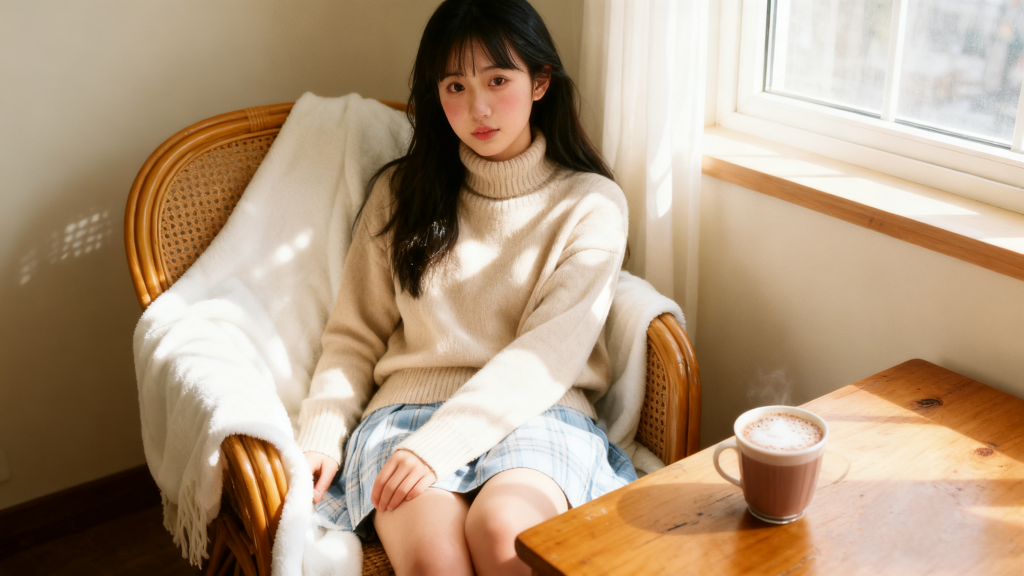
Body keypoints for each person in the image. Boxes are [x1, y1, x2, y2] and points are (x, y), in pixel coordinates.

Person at [297, 0, 636, 574]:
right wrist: (322, 435)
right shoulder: (402, 193)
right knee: (435, 563)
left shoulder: (591, 203)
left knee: (505, 539)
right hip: (406, 414)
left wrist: (443, 443)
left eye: (497, 80)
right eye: (455, 86)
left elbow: (545, 356)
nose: (476, 107)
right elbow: (354, 334)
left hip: (542, 410)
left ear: (540, 82)